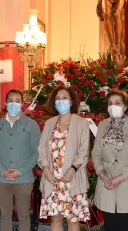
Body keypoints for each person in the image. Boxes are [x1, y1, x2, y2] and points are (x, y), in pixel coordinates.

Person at [38, 85, 90, 231]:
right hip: (52, 178)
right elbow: (41, 149)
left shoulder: (81, 123)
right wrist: (46, 169)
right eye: (58, 98)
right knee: (56, 218)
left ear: (72, 102)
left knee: (73, 219)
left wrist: (73, 170)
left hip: (72, 177)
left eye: (65, 98)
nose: (61, 101)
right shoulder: (49, 123)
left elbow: (83, 150)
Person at [0, 89, 41, 231]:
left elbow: (37, 152)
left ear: (22, 104)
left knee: (23, 215)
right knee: (5, 215)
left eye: (17, 101)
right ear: (5, 103)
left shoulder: (31, 125)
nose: (14, 104)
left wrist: (20, 171)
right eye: (11, 101)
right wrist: (2, 171)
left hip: (23, 178)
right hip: (2, 178)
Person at [92, 90, 128, 231]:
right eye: (110, 103)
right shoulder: (103, 125)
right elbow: (96, 153)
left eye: (117, 103)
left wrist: (120, 178)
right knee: (110, 226)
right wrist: (102, 174)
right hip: (106, 185)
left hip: (127, 185)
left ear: (125, 106)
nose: (113, 106)